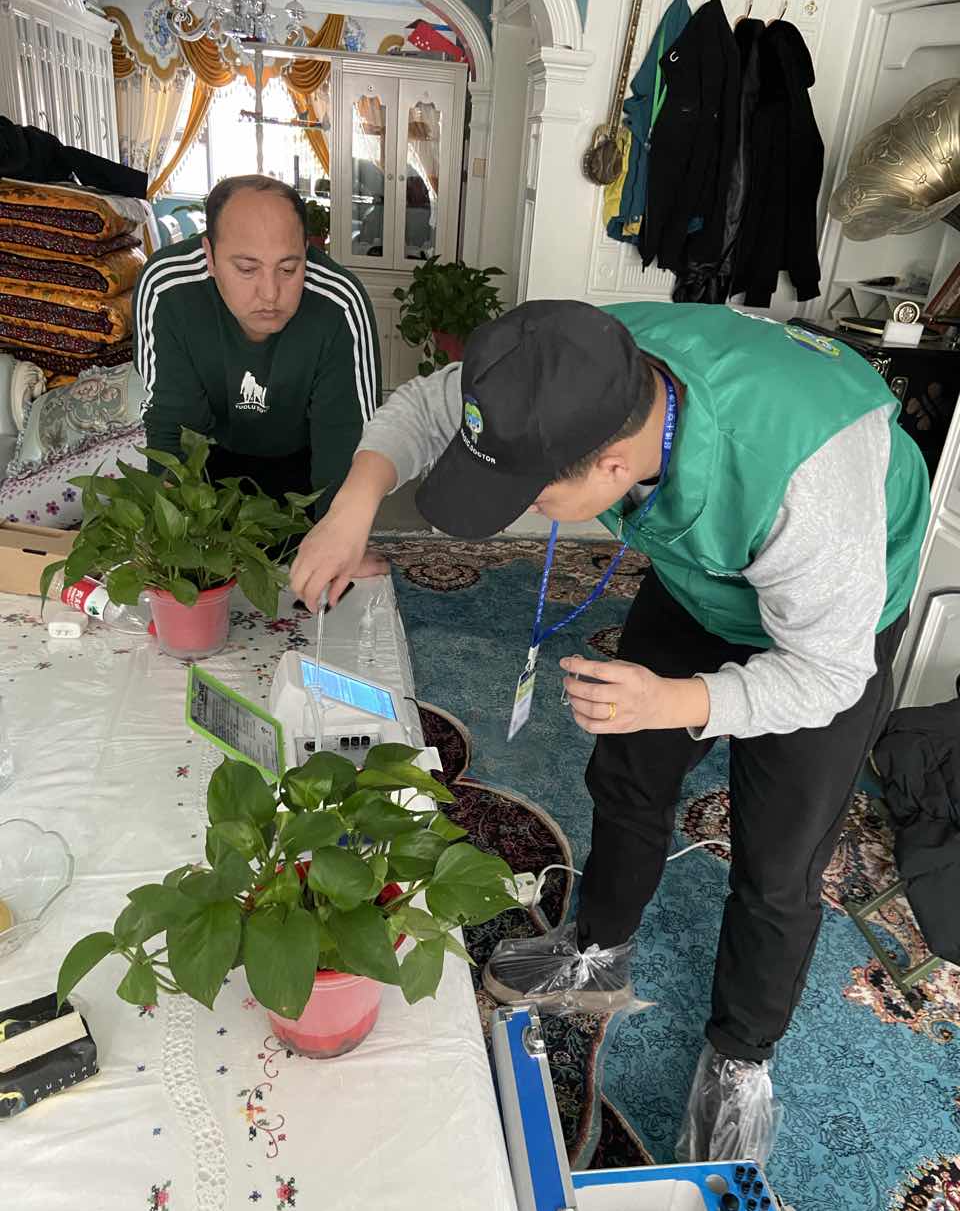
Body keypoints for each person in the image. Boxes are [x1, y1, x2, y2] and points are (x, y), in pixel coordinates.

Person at [289, 300, 929, 1163]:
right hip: (704, 576)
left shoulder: (809, 480)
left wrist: (676, 700)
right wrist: (353, 506)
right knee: (626, 771)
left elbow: (826, 675)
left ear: (615, 463)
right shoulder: (568, 361)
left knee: (779, 860)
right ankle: (597, 947)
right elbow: (426, 406)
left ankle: (742, 1057)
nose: (526, 506)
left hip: (829, 620)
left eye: (536, 495)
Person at [133, 175, 384, 553]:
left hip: (304, 468)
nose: (270, 293)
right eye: (247, 269)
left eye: (288, 269)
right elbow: (173, 430)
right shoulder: (167, 288)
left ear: (306, 251)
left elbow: (346, 442)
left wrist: (340, 539)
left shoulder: (339, 303)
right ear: (209, 256)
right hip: (209, 462)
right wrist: (172, 546)